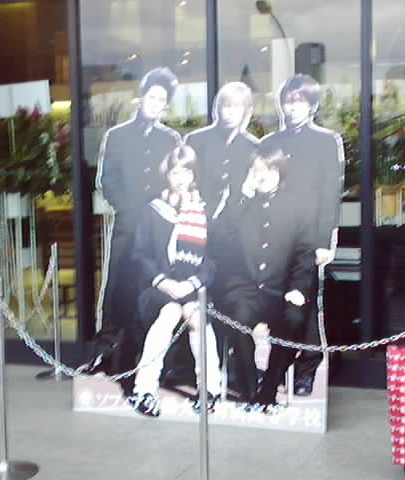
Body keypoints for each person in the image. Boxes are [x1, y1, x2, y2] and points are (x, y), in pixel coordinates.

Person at [84, 68, 181, 398]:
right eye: (151, 97)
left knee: (149, 290)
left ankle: (145, 357)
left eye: (161, 99)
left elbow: (175, 180)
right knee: (117, 287)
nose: (155, 103)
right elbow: (106, 180)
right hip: (127, 226)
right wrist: (127, 208)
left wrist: (160, 211)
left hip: (159, 230)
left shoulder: (171, 140)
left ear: (166, 105)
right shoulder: (117, 135)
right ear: (142, 98)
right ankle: (105, 351)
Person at [212, 144, 315, 412]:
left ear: (280, 171)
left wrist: (298, 289)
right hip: (243, 290)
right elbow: (219, 239)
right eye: (257, 169)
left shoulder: (297, 207)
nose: (262, 175)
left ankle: (268, 389)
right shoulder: (239, 203)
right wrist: (243, 195)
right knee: (236, 319)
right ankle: (249, 391)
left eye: (269, 169)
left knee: (294, 320)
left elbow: (305, 255)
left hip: (280, 291)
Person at [260, 74, 344, 396]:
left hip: (308, 237)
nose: (292, 107)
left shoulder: (327, 141)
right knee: (279, 303)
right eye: (288, 100)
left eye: (299, 101)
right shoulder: (271, 142)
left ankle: (306, 369)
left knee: (306, 307)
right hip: (275, 235)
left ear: (312, 105)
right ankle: (276, 367)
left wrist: (324, 242)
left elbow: (330, 195)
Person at [130, 145, 221, 417]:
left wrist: (191, 284)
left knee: (195, 315)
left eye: (186, 172)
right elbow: (140, 254)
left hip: (193, 286)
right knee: (170, 312)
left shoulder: (204, 210)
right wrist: (163, 282)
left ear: (194, 175)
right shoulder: (152, 210)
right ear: (166, 174)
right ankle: (144, 390)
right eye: (175, 172)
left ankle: (209, 390)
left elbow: (212, 260)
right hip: (157, 288)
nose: (181, 178)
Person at [185, 81, 259, 218]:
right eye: (227, 106)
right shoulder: (195, 140)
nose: (231, 112)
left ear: (246, 110)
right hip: (199, 217)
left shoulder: (253, 147)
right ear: (218, 108)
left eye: (237, 106)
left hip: (238, 219)